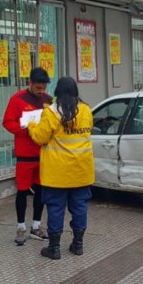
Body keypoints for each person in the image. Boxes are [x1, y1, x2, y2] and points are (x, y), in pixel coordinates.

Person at [28, 77, 95, 260]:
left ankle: (54, 248)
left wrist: (32, 125)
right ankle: (78, 245)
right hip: (81, 170)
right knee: (80, 207)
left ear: (57, 91)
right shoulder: (86, 110)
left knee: (56, 208)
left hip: (57, 173)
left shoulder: (51, 112)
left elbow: (40, 138)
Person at [3, 67, 52, 245]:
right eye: (38, 88)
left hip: (43, 154)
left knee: (41, 192)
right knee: (22, 192)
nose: (41, 91)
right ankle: (21, 227)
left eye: (43, 88)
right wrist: (25, 129)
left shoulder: (48, 100)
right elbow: (7, 122)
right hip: (25, 154)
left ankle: (36, 226)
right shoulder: (17, 100)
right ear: (29, 83)